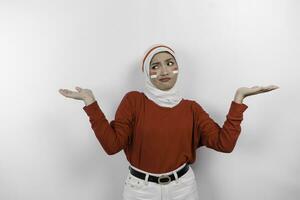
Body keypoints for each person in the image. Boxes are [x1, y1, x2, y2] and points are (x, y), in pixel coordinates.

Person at [58, 44, 279, 200]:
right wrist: (91, 103)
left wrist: (238, 99)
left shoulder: (191, 108)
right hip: (140, 191)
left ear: (177, 68)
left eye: (169, 63)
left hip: (183, 189)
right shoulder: (134, 101)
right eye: (155, 66)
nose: (164, 71)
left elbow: (225, 144)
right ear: (146, 72)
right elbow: (112, 146)